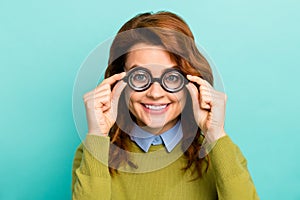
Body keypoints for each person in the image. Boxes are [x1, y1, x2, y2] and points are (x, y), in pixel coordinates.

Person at [72, 11, 259, 200]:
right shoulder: (93, 151)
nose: (155, 93)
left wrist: (216, 134)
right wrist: (97, 135)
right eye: (139, 76)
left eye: (171, 77)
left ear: (191, 82)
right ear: (118, 81)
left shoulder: (221, 153)